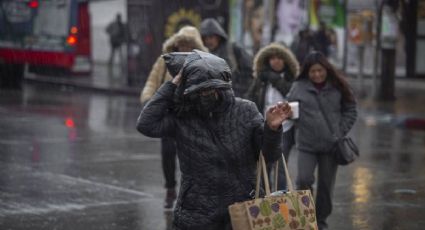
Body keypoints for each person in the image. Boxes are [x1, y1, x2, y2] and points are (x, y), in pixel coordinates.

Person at [136, 50, 292, 229]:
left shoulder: (245, 110)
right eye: (201, 89)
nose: (207, 94)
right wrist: (172, 85)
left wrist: (272, 129)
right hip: (196, 211)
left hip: (242, 209)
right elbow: (146, 124)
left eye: (211, 88)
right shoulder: (183, 117)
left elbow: (269, 156)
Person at [286, 51, 357, 230]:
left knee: (326, 187)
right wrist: (289, 114)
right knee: (303, 180)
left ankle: (321, 221)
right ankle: (306, 219)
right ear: (306, 73)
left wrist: (339, 131)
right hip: (306, 145)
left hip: (330, 146)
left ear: (326, 69)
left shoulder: (338, 86)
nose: (317, 75)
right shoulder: (298, 87)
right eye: (312, 72)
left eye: (320, 70)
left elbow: (351, 110)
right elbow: (290, 110)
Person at [140, 26, 207, 209]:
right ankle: (170, 188)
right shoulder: (165, 60)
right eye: (181, 44)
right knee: (168, 153)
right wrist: (148, 100)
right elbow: (152, 81)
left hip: (192, 116)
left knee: (192, 156)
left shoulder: (202, 62)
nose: (183, 48)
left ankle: (191, 192)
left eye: (188, 44)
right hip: (169, 113)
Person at [200, 18, 253, 99]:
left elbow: (249, 70)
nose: (208, 41)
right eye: (205, 38)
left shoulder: (232, 49)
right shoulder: (201, 54)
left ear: (218, 36)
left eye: (211, 37)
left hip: (234, 98)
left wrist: (239, 90)